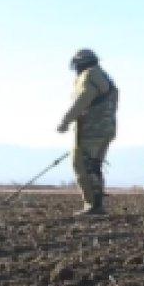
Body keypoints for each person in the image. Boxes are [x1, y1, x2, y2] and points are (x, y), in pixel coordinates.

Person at [57, 49, 118, 216]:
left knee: (82, 166)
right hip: (107, 130)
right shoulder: (105, 79)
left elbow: (82, 100)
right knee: (94, 166)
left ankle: (92, 205)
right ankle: (97, 204)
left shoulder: (88, 77)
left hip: (91, 130)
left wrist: (65, 121)